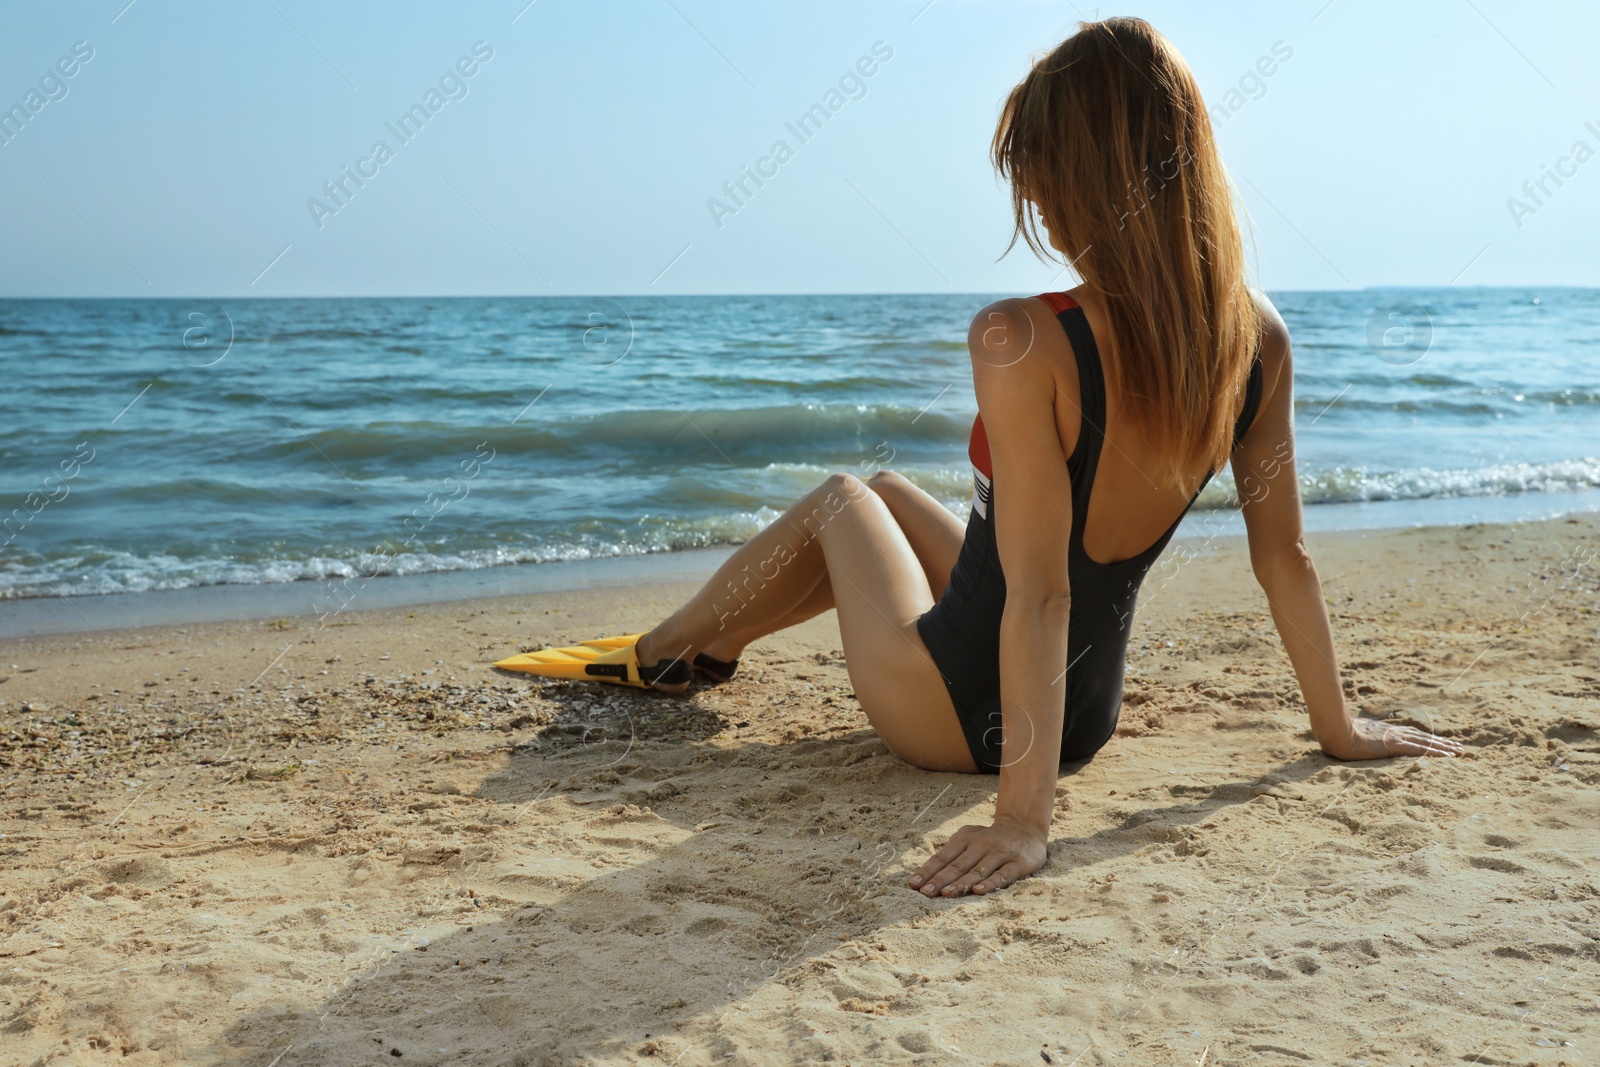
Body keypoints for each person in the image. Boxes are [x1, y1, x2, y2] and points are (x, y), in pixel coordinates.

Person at [505, 17, 1463, 897]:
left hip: (956, 715)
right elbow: (1281, 558)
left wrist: (1022, 821)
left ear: (1091, 181)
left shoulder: (1025, 340)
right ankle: (703, 647)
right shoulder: (1255, 341)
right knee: (884, 488)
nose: (1037, 207)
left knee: (843, 498)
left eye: (1043, 177)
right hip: (1079, 717)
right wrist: (1338, 728)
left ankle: (668, 653)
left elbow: (1041, 593)